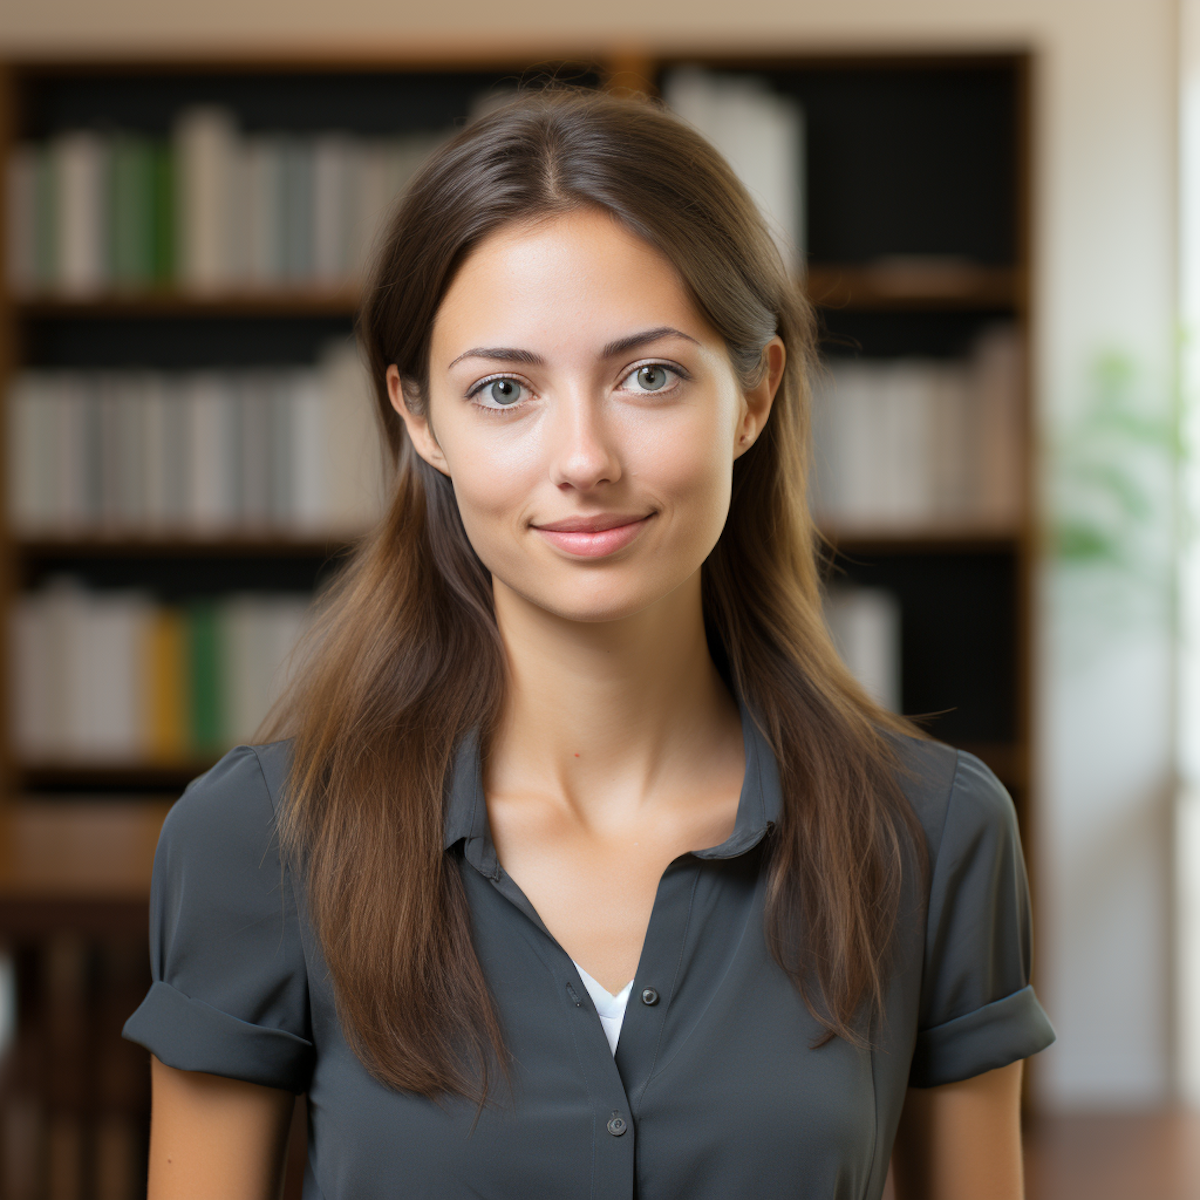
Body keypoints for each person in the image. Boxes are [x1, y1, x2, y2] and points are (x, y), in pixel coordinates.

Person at [124, 86, 1054, 1200]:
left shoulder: (936, 833)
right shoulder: (259, 840)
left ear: (754, 395)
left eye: (649, 375)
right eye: (505, 389)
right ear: (420, 418)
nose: (583, 458)